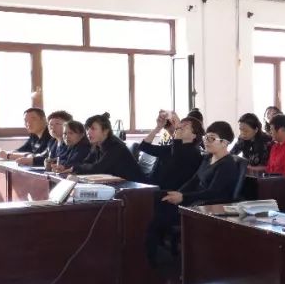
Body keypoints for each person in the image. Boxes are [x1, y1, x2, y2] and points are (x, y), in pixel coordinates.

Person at [146, 121, 240, 267]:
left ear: (224, 143)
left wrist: (183, 197)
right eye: (206, 137)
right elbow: (194, 180)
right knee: (153, 198)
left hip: (205, 207)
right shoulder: (208, 158)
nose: (206, 141)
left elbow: (212, 193)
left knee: (154, 216)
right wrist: (178, 193)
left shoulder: (227, 164)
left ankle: (150, 261)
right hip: (193, 199)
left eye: (211, 138)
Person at [138, 113, 204, 191]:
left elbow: (177, 157)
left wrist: (178, 129)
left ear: (194, 135)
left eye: (185, 126)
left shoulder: (194, 152)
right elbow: (144, 146)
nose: (180, 127)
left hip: (165, 192)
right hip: (150, 186)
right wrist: (158, 128)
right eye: (180, 125)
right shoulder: (171, 148)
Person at [72, 114, 144, 181]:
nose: (88, 132)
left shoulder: (116, 146)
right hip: (117, 183)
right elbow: (85, 163)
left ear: (105, 131)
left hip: (135, 185)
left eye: (93, 129)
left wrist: (76, 168)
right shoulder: (97, 145)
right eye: (87, 129)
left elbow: (98, 169)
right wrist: (78, 168)